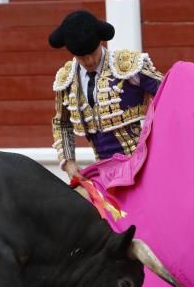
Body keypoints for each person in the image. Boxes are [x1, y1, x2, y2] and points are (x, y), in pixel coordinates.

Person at [49, 9, 163, 175]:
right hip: (105, 170)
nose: (89, 61)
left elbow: (166, 92)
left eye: (92, 53)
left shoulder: (126, 65)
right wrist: (68, 161)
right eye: (82, 56)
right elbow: (62, 123)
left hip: (143, 164)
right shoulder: (67, 79)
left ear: (100, 43)